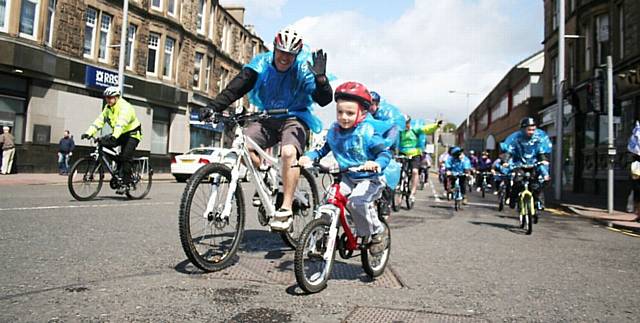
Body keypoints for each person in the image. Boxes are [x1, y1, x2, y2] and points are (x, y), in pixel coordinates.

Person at [199, 26, 333, 231]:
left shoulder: (303, 69)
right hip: (267, 117)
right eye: (282, 52)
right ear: (274, 48)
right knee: (244, 142)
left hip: (294, 117)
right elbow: (237, 86)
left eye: (290, 54)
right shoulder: (261, 64)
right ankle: (265, 177)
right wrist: (213, 107)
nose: (285, 58)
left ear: (296, 54)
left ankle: (286, 208)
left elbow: (323, 100)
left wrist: (322, 82)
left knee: (289, 153)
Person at [299, 81, 391, 254]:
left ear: (362, 113)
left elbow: (384, 154)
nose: (344, 117)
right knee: (328, 202)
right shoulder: (334, 131)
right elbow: (321, 149)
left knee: (357, 202)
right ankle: (323, 232)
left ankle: (377, 232)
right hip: (347, 176)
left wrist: (376, 163)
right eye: (340, 112)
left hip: (370, 178)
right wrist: (308, 158)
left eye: (350, 113)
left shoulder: (368, 132)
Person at [82, 86, 142, 193]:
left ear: (117, 97)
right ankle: (118, 169)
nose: (108, 100)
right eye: (107, 98)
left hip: (132, 134)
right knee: (103, 143)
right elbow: (99, 121)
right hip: (119, 133)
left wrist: (114, 136)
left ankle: (127, 183)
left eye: (110, 97)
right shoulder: (108, 108)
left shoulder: (125, 107)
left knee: (125, 157)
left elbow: (121, 123)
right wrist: (88, 132)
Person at [502, 117, 552, 210]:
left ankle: (539, 202)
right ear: (523, 129)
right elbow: (509, 151)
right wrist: (505, 162)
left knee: (536, 184)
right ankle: (513, 199)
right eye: (529, 130)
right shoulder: (515, 138)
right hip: (519, 164)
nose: (531, 132)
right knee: (517, 182)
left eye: (533, 129)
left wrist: (543, 160)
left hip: (534, 163)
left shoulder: (539, 137)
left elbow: (541, 152)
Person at [398, 115, 441, 203]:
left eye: (406, 123)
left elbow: (426, 129)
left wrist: (436, 125)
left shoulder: (415, 129)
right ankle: (399, 186)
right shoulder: (400, 131)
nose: (405, 125)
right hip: (402, 153)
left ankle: (413, 192)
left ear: (409, 123)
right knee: (398, 169)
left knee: (414, 171)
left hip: (415, 154)